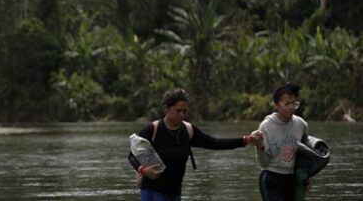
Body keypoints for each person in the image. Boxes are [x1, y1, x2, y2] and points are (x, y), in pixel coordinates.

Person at [128, 88, 263, 201]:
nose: (182, 115)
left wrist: (245, 140)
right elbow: (131, 156)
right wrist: (144, 171)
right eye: (178, 110)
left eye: (185, 111)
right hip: (152, 190)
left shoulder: (188, 130)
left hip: (175, 192)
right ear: (166, 109)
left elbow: (214, 143)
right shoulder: (153, 130)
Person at [255, 82, 310, 200]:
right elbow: (264, 164)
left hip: (291, 179)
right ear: (276, 105)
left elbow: (305, 153)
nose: (291, 108)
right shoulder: (266, 127)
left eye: (294, 104)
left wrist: (307, 176)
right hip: (271, 178)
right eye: (286, 104)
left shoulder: (301, 124)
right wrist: (259, 146)